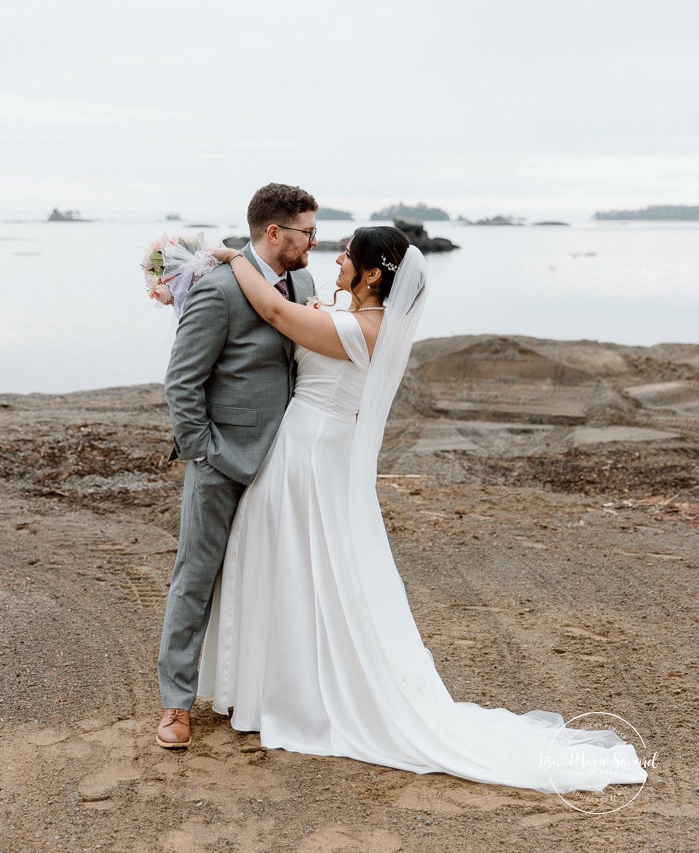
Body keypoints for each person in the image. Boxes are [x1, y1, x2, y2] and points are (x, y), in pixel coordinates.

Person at [196, 226, 648, 794]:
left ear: (372, 274)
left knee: (300, 569)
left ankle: (294, 697)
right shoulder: (359, 320)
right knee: (292, 566)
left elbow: (273, 311)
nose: (336, 260)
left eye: (347, 256)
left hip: (311, 458)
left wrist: (233, 257)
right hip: (309, 450)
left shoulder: (364, 329)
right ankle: (271, 688)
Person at [156, 182, 318, 748]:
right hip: (223, 460)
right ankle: (176, 704)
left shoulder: (305, 284)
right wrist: (203, 451)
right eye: (307, 232)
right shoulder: (219, 289)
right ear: (274, 232)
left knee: (275, 579)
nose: (314, 243)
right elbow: (182, 381)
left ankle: (260, 692)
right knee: (196, 579)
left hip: (285, 463)